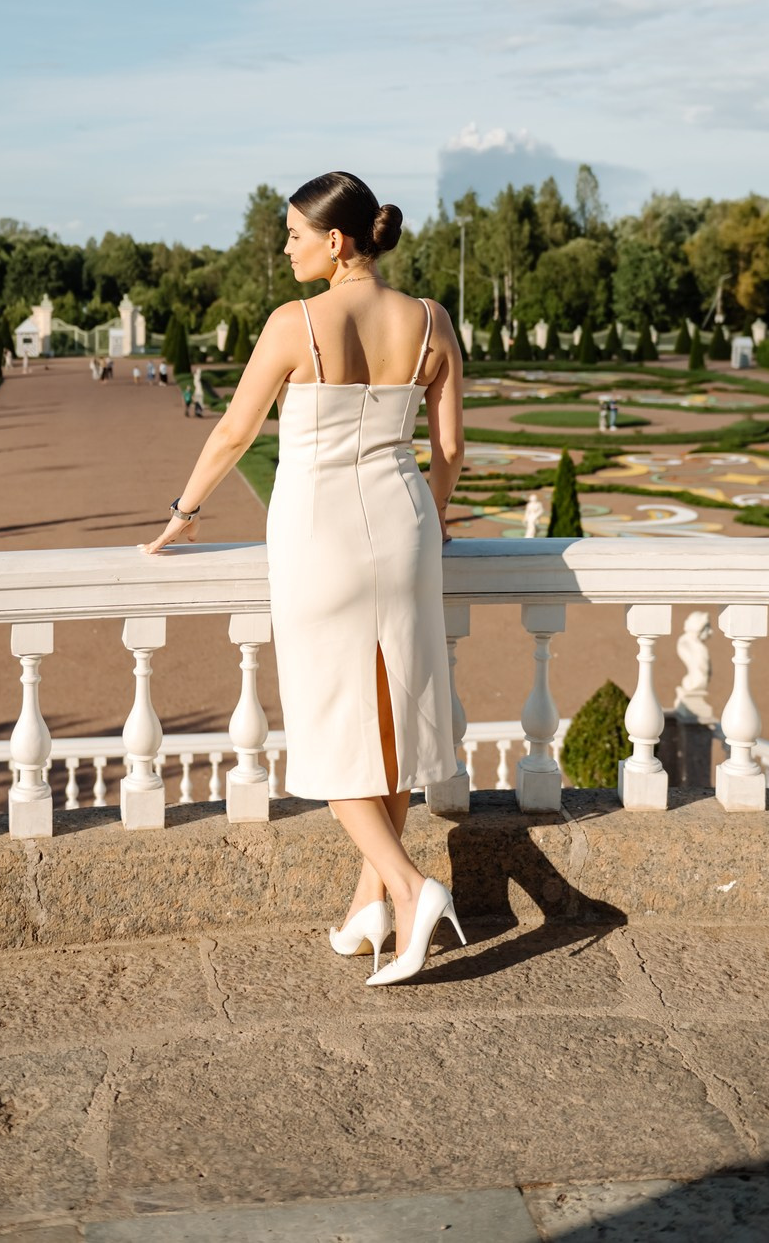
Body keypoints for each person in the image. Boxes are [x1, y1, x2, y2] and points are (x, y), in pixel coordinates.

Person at [141, 170, 467, 986]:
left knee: (329, 723)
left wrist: (183, 510)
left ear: (337, 240)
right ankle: (369, 907)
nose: (284, 248)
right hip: (407, 527)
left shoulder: (297, 324)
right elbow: (451, 452)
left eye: (293, 235)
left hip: (319, 534)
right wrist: (428, 519)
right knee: (391, 713)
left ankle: (410, 885)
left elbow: (231, 433)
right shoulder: (432, 320)